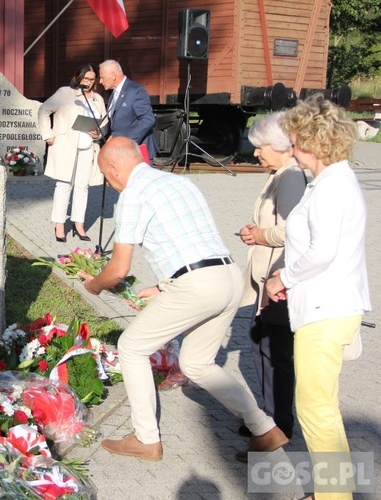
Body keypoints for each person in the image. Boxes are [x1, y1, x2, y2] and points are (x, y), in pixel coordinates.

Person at [79, 136, 287, 462]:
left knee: (132, 347)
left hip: (196, 286)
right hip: (227, 277)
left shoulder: (133, 195)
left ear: (115, 167)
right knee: (197, 364)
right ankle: (264, 429)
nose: (111, 184)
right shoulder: (179, 182)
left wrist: (94, 286)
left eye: (107, 176)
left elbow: (118, 269)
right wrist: (164, 287)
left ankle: (146, 439)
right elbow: (192, 242)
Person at [266, 95, 371, 498]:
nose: (290, 150)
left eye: (294, 142)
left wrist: (283, 278)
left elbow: (322, 251)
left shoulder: (332, 188)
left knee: (316, 410)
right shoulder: (329, 182)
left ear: (316, 143)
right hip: (327, 306)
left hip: (326, 311)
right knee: (320, 407)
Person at [238, 112, 307, 440]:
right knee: (260, 345)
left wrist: (260, 235)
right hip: (267, 278)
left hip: (277, 279)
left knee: (274, 350)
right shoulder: (280, 173)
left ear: (279, 146)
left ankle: (279, 422)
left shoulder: (291, 177)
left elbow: (293, 230)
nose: (255, 153)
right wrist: (256, 231)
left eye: (260, 146)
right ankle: (269, 415)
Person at [38, 64, 106, 242]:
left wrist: (98, 133)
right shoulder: (65, 93)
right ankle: (59, 224)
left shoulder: (98, 99)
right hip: (65, 145)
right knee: (64, 185)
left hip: (88, 147)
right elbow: (43, 110)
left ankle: (79, 224)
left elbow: (104, 123)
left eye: (92, 79)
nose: (89, 83)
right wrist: (48, 135)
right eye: (86, 79)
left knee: (82, 186)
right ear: (78, 77)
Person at [98, 60, 157, 160]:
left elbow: (148, 120)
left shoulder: (136, 91)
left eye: (102, 77)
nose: (100, 81)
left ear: (113, 76)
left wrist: (127, 142)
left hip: (137, 151)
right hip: (123, 152)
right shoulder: (114, 93)